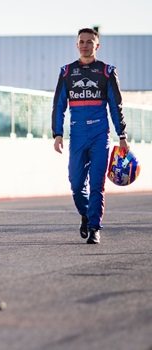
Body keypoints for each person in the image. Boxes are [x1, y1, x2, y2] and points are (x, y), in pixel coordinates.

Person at [51, 28, 128, 244]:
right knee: (76, 184)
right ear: (77, 45)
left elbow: (116, 106)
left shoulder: (107, 72)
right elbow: (58, 105)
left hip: (100, 135)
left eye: (89, 42)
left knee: (97, 184)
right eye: (81, 42)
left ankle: (94, 227)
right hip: (77, 135)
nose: (85, 45)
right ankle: (85, 214)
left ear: (97, 45)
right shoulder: (66, 72)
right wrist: (57, 133)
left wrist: (122, 135)